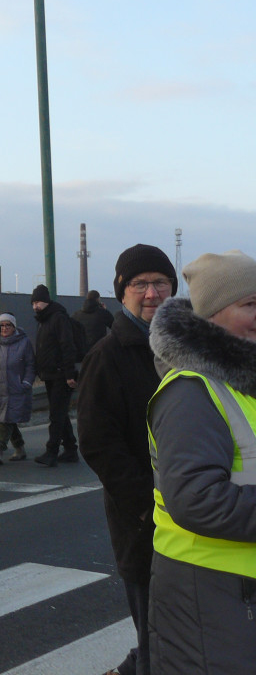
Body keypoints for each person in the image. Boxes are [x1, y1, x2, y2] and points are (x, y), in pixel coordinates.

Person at [146, 250, 256, 674]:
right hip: (210, 590)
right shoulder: (191, 390)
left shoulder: (241, 382)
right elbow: (196, 500)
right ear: (213, 316)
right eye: (250, 305)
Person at [78, 243, 177, 675]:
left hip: (197, 515)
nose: (151, 293)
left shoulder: (185, 347)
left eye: (160, 283)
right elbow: (98, 442)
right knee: (158, 631)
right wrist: (146, 504)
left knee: (184, 629)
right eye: (140, 284)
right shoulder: (108, 355)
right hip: (146, 519)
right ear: (122, 292)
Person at [29, 284, 79, 467]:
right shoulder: (43, 320)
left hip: (60, 375)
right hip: (49, 374)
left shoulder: (58, 318)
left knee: (56, 415)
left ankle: (52, 452)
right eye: (33, 302)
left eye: (39, 302)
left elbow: (67, 346)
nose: (36, 306)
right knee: (60, 413)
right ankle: (71, 449)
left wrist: (69, 373)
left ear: (47, 301)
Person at [0, 313, 35, 464]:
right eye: (1, 325)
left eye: (8, 325)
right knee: (8, 419)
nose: (4, 328)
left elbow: (30, 365)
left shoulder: (24, 342)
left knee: (5, 420)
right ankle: (20, 448)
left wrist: (27, 382)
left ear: (14, 327)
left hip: (17, 388)